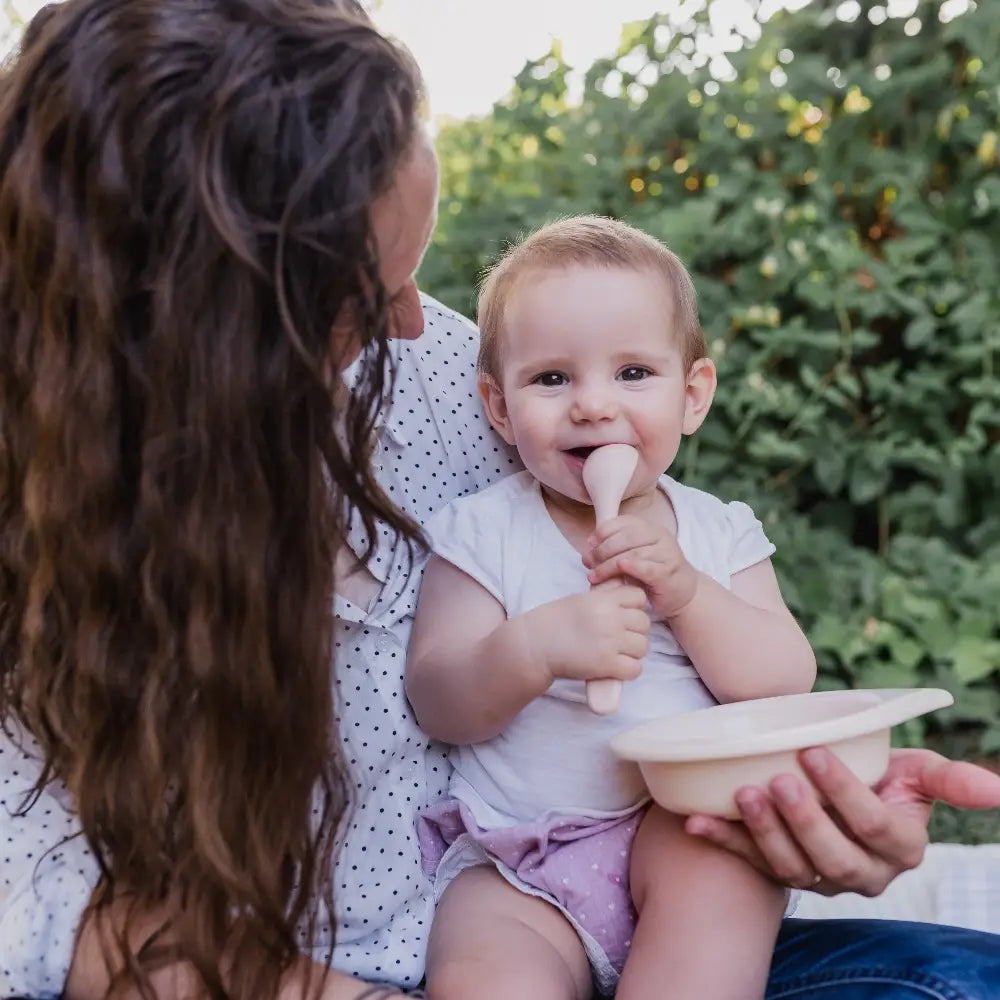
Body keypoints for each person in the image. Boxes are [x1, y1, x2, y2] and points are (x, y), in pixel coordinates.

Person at [1, 1, 1000, 1000]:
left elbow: (757, 677)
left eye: (415, 267)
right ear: (190, 323)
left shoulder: (455, 386)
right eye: (356, 295)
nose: (414, 326)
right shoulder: (45, 500)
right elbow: (32, 907)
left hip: (639, 890)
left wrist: (818, 802)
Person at [406, 216, 817, 1000]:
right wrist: (533, 649)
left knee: (727, 875)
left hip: (683, 828)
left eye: (633, 373)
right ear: (497, 407)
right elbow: (438, 698)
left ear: (693, 395)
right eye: (552, 379)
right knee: (484, 970)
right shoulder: (486, 529)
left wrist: (690, 597)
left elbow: (782, 681)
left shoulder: (717, 532)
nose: (593, 405)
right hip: (519, 861)